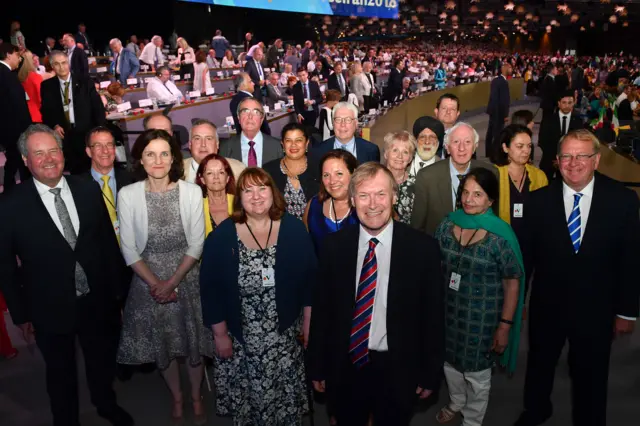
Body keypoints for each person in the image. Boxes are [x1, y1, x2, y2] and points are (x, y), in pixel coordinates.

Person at [0, 124, 133, 426]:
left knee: (101, 360)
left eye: (53, 151)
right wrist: (21, 315)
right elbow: (5, 266)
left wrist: (118, 293)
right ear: (25, 159)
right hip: (48, 306)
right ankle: (66, 420)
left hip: (97, 299)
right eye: (39, 153)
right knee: (60, 372)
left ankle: (105, 402)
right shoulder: (9, 206)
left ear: (62, 153)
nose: (49, 159)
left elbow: (107, 244)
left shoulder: (87, 187)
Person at [514, 129, 640, 426]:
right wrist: (517, 303)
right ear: (556, 161)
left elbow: (630, 261)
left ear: (596, 160)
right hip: (547, 307)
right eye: (567, 156)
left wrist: (626, 312)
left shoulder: (622, 201)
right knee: (539, 365)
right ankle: (536, 410)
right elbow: (525, 261)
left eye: (582, 156)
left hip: (597, 310)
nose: (574, 163)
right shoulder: (537, 203)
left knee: (592, 373)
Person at [307, 161, 444, 426]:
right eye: (364, 195)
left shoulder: (423, 249)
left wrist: (430, 372)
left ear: (394, 197)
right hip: (345, 366)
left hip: (398, 367)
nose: (373, 204)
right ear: (352, 199)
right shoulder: (333, 248)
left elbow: (433, 318)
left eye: (381, 194)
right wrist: (317, 365)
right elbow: (323, 312)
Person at [200, 168, 316, 425]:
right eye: (247, 190)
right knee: (252, 405)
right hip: (242, 339)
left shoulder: (294, 229)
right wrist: (220, 335)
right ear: (238, 197)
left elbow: (310, 281)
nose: (256, 196)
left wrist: (308, 323)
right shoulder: (222, 237)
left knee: (285, 403)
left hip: (286, 335)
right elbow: (211, 290)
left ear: (272, 193)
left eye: (262, 188)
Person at [117, 129, 212, 425]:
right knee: (165, 346)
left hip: (186, 276)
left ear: (173, 159)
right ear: (140, 161)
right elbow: (128, 247)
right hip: (147, 278)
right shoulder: (128, 195)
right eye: (150, 154)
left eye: (164, 154)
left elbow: (197, 243)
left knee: (193, 344)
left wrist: (171, 283)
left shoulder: (192, 192)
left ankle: (196, 396)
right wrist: (156, 284)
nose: (157, 160)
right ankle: (177, 397)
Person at [434, 167, 524, 426]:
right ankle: (456, 401)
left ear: (491, 200)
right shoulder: (447, 224)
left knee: (477, 374)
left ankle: (472, 420)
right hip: (449, 312)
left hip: (483, 319)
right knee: (450, 365)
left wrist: (504, 326)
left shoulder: (500, 236)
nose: (469, 199)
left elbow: (512, 284)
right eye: (465, 192)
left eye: (478, 194)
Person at [411, 122, 497, 236]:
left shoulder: (491, 173)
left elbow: (495, 219)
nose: (462, 148)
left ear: (475, 146)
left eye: (467, 142)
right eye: (456, 142)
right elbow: (417, 228)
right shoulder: (427, 177)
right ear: (447, 147)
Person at [492, 125, 548, 296]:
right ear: (505, 147)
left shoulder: (539, 176)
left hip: (527, 247)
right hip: (499, 246)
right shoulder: (494, 174)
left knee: (520, 294)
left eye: (529, 146)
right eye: (519, 146)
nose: (526, 151)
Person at [40, 50, 106, 174]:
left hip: (87, 132)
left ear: (68, 63)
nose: (61, 67)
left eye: (64, 63)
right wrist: (55, 124)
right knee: (75, 171)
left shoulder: (85, 81)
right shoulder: (47, 86)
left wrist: (100, 130)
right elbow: (46, 110)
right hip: (66, 135)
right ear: (52, 66)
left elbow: (97, 107)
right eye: (57, 64)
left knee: (93, 168)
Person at [263, 122, 319, 219]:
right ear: (283, 144)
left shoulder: (319, 167)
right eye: (288, 140)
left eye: (299, 140)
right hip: (281, 229)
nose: (293, 145)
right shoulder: (269, 170)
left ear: (307, 143)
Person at [0, 43, 32, 191]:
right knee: (20, 162)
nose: (19, 59)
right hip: (15, 129)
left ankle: (9, 191)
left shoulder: (5, 73)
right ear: (8, 55)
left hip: (8, 129)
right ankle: (19, 192)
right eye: (17, 55)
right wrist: (27, 129)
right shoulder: (6, 75)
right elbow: (17, 106)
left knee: (14, 162)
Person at [219, 97, 282, 167]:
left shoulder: (277, 146)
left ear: (262, 119)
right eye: (245, 111)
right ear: (238, 118)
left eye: (256, 112)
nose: (250, 116)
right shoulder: (225, 148)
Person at [311, 102, 380, 164]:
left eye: (348, 120)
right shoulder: (318, 151)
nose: (342, 124)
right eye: (338, 119)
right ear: (333, 123)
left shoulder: (371, 150)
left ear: (356, 123)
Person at [182, 118, 245, 183]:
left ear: (217, 144)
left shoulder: (238, 170)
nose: (203, 144)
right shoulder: (176, 170)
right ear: (190, 145)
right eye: (197, 139)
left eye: (209, 139)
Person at [538, 90, 582, 181]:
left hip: (571, 162)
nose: (567, 105)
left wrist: (565, 160)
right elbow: (542, 141)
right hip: (549, 160)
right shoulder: (548, 120)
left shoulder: (579, 121)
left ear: (573, 103)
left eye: (570, 103)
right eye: (564, 102)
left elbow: (579, 144)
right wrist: (556, 159)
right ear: (559, 103)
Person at [195, 153, 235, 236]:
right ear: (202, 179)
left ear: (227, 178)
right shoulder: (196, 207)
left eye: (221, 172)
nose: (216, 177)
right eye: (210, 173)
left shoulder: (239, 203)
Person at [383, 131, 417, 224]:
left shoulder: (417, 184)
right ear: (386, 154)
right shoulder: (373, 180)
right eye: (395, 150)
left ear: (410, 158)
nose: (399, 156)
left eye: (405, 152)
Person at [485, 62, 512, 159]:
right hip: (499, 112)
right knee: (497, 134)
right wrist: (505, 114)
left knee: (491, 133)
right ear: (504, 68)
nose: (511, 69)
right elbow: (503, 100)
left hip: (494, 111)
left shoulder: (496, 80)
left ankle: (488, 152)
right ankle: (495, 154)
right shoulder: (502, 82)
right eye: (510, 67)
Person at [293, 67, 323, 132]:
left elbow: (320, 98)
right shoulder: (295, 87)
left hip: (313, 112)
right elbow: (295, 102)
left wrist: (313, 101)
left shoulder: (314, 84)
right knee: (304, 132)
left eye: (303, 75)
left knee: (311, 131)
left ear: (307, 74)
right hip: (302, 114)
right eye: (300, 76)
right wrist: (298, 113)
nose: (302, 77)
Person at [18, 50, 43, 122]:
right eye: (32, 58)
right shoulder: (35, 77)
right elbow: (40, 98)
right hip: (37, 114)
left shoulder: (17, 77)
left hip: (24, 114)